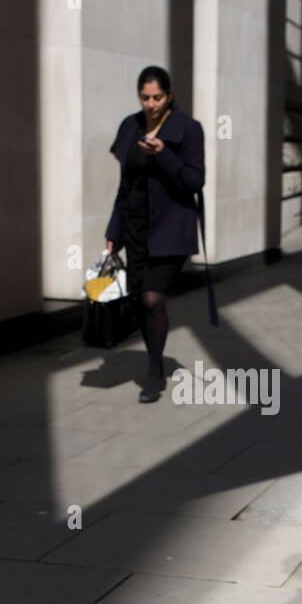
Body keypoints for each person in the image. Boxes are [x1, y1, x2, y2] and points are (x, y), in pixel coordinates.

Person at [105, 66, 206, 402]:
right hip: (135, 226)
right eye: (145, 97)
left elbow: (194, 181)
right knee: (139, 302)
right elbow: (125, 185)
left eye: (157, 97)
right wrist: (113, 230)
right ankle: (155, 359)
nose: (151, 104)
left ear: (170, 96)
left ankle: (153, 372)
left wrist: (163, 154)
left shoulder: (188, 130)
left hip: (170, 227)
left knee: (153, 297)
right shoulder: (130, 126)